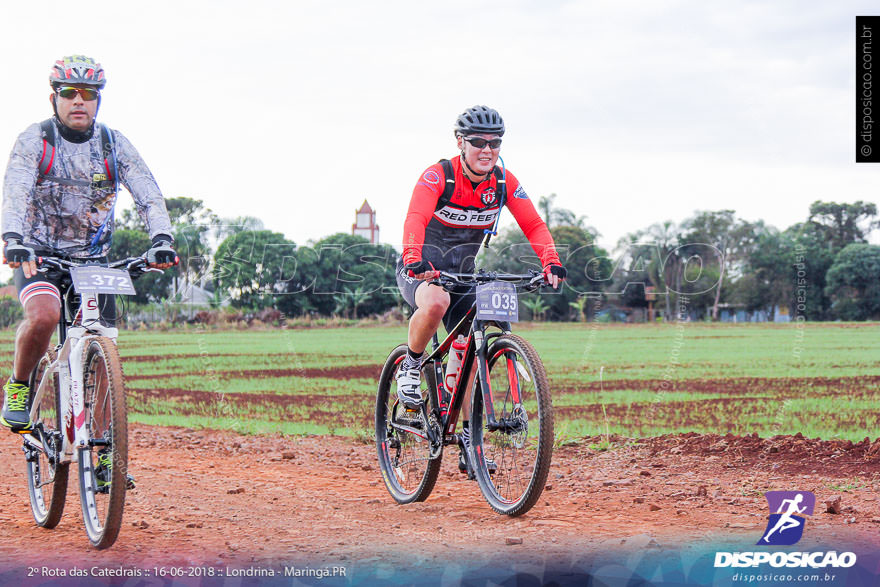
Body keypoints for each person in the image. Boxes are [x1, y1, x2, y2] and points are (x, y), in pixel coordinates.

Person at [1, 55, 177, 431]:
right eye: (69, 92)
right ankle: (19, 384)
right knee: (45, 315)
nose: (79, 100)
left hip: (94, 262)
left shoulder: (114, 144)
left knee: (103, 348)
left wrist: (162, 238)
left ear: (98, 99)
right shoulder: (36, 139)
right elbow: (15, 191)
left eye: (89, 93)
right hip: (40, 255)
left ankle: (103, 454)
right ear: (55, 99)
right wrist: (13, 239)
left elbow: (148, 193)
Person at [396, 105, 566, 473]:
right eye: (478, 142)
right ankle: (409, 366)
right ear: (461, 142)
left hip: (465, 273)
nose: (487, 150)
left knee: (476, 342)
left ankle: (469, 442)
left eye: (495, 143)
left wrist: (550, 261)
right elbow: (416, 217)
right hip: (423, 269)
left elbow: (534, 225)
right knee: (437, 301)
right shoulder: (438, 176)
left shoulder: (504, 182)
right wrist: (413, 257)